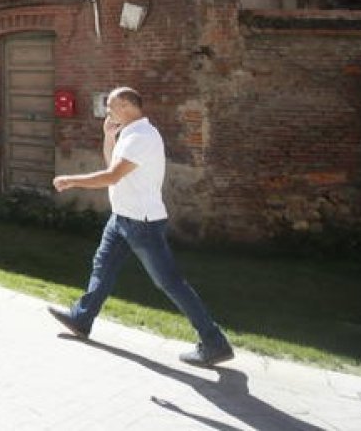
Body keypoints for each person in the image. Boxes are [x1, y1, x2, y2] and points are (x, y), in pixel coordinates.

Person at [48, 86, 234, 367]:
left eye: (111, 107)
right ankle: (81, 318)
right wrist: (109, 137)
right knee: (103, 266)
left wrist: (72, 180)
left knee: (169, 282)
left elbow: (111, 176)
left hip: (142, 223)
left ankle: (214, 342)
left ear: (126, 106)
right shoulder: (128, 134)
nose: (108, 112)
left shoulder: (143, 137)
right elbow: (113, 166)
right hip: (122, 217)